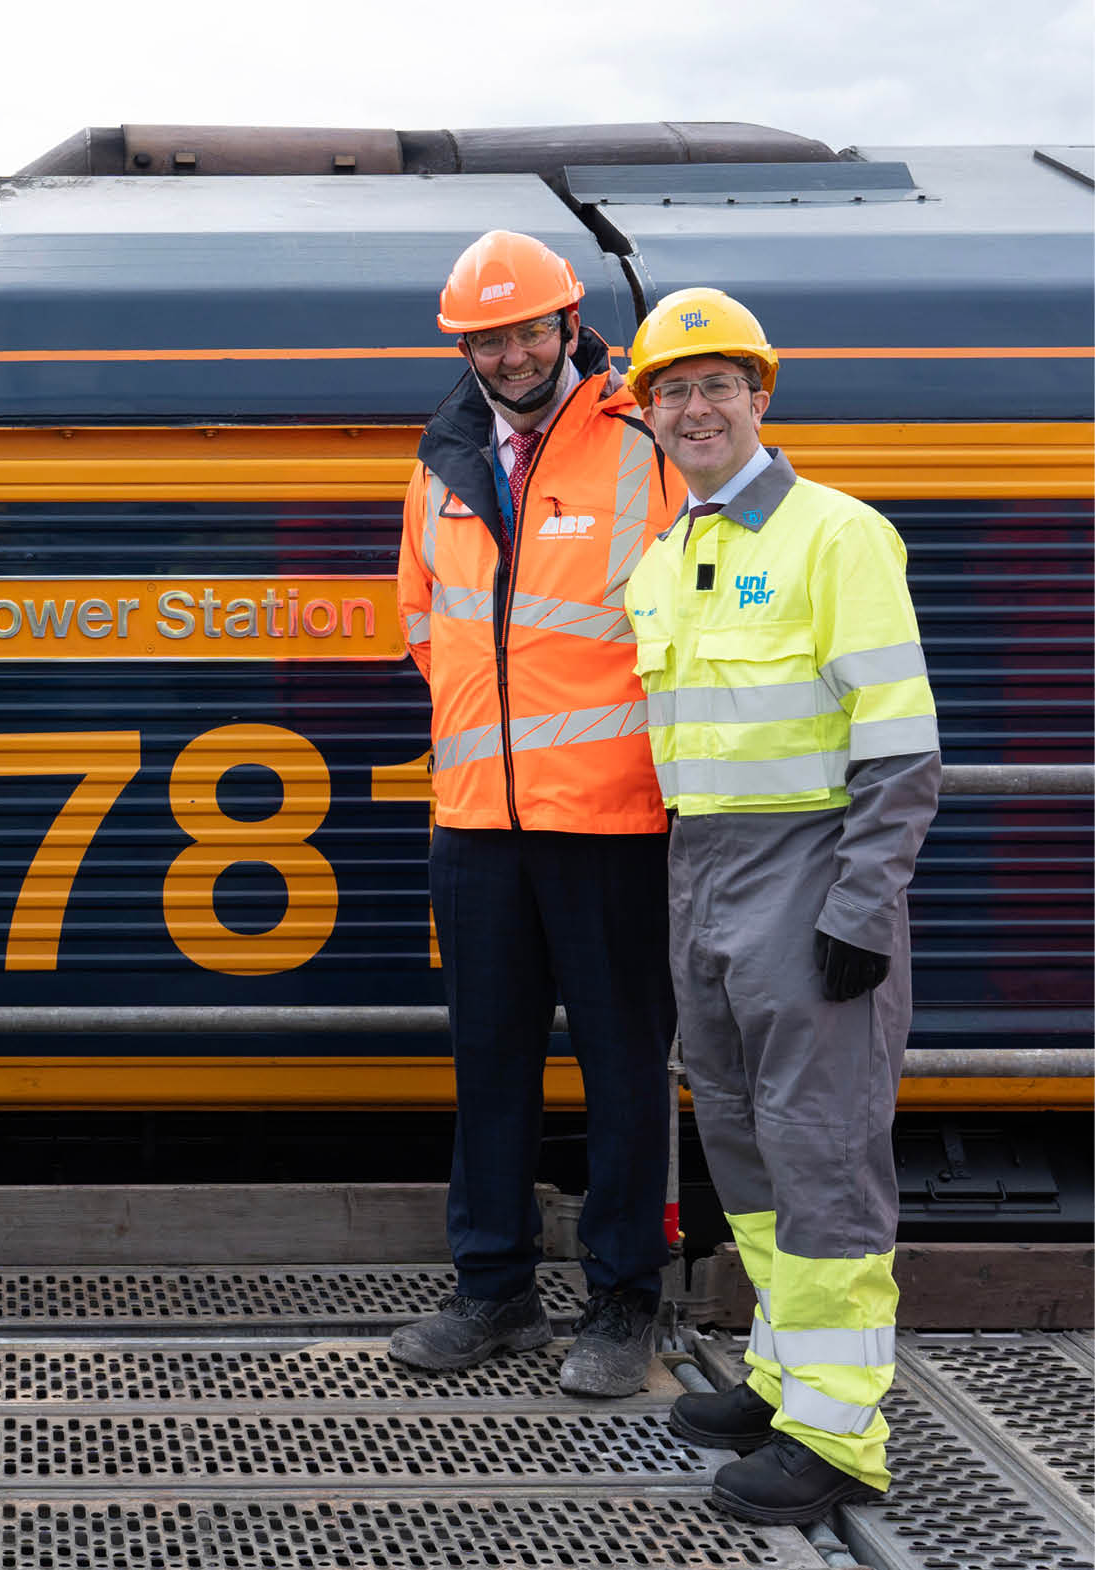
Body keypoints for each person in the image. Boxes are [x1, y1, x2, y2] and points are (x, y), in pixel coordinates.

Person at [623, 288, 938, 1524]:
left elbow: (901, 748)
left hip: (810, 875)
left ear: (761, 396)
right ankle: (782, 1372)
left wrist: (862, 905)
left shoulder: (836, 536)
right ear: (648, 415)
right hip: (701, 875)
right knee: (742, 1140)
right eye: (672, 391)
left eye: (717, 385)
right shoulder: (667, 562)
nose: (695, 408)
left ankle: (838, 1433)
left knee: (823, 1154)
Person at [390, 231, 686, 1396]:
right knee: (490, 1063)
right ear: (464, 346)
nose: (510, 352)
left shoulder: (640, 442)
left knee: (623, 1068)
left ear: (570, 327)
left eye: (529, 329)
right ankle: (492, 1291)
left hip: (614, 819)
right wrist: (493, 746)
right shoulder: (441, 458)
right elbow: (425, 623)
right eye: (487, 336)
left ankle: (623, 1303)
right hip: (475, 822)